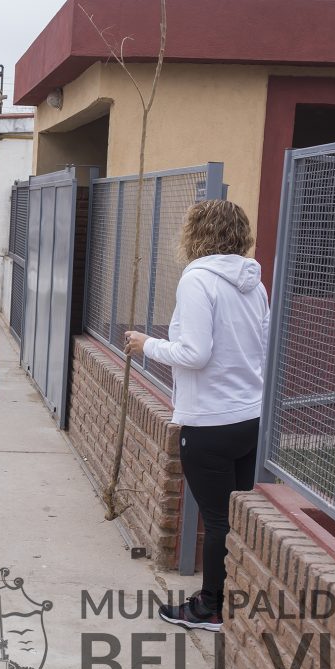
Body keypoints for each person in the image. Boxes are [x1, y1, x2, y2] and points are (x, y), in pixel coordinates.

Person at [124, 199, 269, 632]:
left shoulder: (197, 279)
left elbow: (195, 353)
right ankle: (226, 598)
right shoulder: (254, 282)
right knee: (237, 516)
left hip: (210, 420)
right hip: (251, 416)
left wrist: (145, 344)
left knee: (218, 520)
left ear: (195, 233)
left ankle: (209, 608)